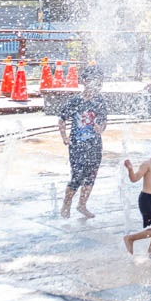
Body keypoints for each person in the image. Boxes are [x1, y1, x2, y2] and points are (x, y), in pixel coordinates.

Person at [57, 66, 108, 219]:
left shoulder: (100, 101)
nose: (97, 84)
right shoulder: (75, 101)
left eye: (99, 81)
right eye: (94, 80)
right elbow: (62, 119)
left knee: (91, 175)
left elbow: (104, 121)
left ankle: (82, 205)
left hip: (95, 145)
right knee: (77, 176)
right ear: (85, 81)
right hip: (77, 144)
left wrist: (101, 128)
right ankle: (66, 205)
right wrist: (64, 137)